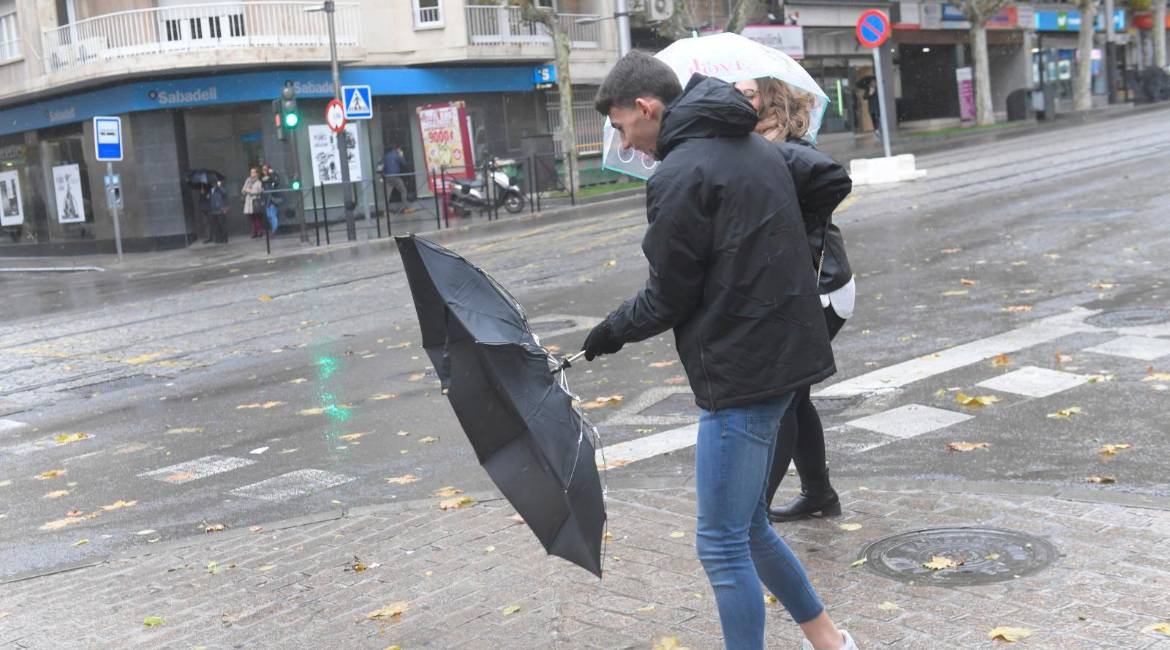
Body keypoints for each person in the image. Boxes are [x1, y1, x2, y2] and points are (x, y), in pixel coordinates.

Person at [583, 51, 858, 650]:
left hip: (743, 369)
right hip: (775, 352)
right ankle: (832, 642)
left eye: (621, 125)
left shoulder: (682, 174)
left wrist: (608, 332)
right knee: (750, 526)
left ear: (647, 108)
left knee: (720, 542)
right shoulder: (750, 143)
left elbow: (668, 297)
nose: (623, 141)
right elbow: (826, 180)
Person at [734, 77, 856, 523]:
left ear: (772, 101)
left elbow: (833, 178)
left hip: (821, 287)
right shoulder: (754, 148)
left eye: (748, 93)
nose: (740, 100)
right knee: (795, 396)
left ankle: (757, 509)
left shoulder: (787, 149)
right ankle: (820, 496)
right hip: (802, 287)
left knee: (781, 394)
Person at [380, 144, 411, 214]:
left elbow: (381, 165)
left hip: (387, 177)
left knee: (387, 194)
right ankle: (406, 207)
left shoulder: (386, 156)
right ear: (398, 149)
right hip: (395, 177)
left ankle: (385, 211)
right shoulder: (397, 155)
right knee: (403, 190)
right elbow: (404, 163)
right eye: (400, 150)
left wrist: (383, 176)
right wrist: (402, 155)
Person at [241, 167, 264, 239]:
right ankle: (254, 232)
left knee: (257, 217)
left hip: (255, 201)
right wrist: (247, 190)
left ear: (256, 173)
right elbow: (243, 190)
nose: (252, 174)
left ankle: (260, 231)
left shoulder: (259, 182)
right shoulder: (248, 180)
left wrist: (249, 190)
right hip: (248, 202)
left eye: (253, 172)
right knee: (252, 218)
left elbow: (258, 191)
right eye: (251, 172)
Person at [260, 163, 281, 233]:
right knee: (269, 216)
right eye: (263, 169)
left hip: (272, 198)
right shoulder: (262, 179)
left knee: (272, 214)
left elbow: (276, 181)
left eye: (266, 169)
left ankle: (275, 230)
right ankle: (274, 228)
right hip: (266, 199)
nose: (264, 171)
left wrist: (272, 173)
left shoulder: (272, 177)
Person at [209, 178, 229, 244]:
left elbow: (225, 192)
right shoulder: (211, 190)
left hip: (220, 209)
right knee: (216, 225)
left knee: (222, 225)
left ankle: (225, 238)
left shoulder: (220, 189)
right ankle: (219, 238)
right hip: (213, 210)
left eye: (214, 183)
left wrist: (219, 186)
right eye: (212, 183)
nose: (213, 184)